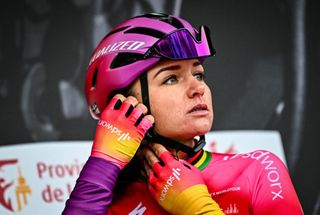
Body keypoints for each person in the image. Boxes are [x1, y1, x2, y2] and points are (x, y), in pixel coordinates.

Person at [62, 13, 303, 215]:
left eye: (198, 74)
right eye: (171, 79)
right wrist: (103, 164)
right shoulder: (107, 200)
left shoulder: (258, 169)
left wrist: (198, 208)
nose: (198, 88)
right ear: (124, 103)